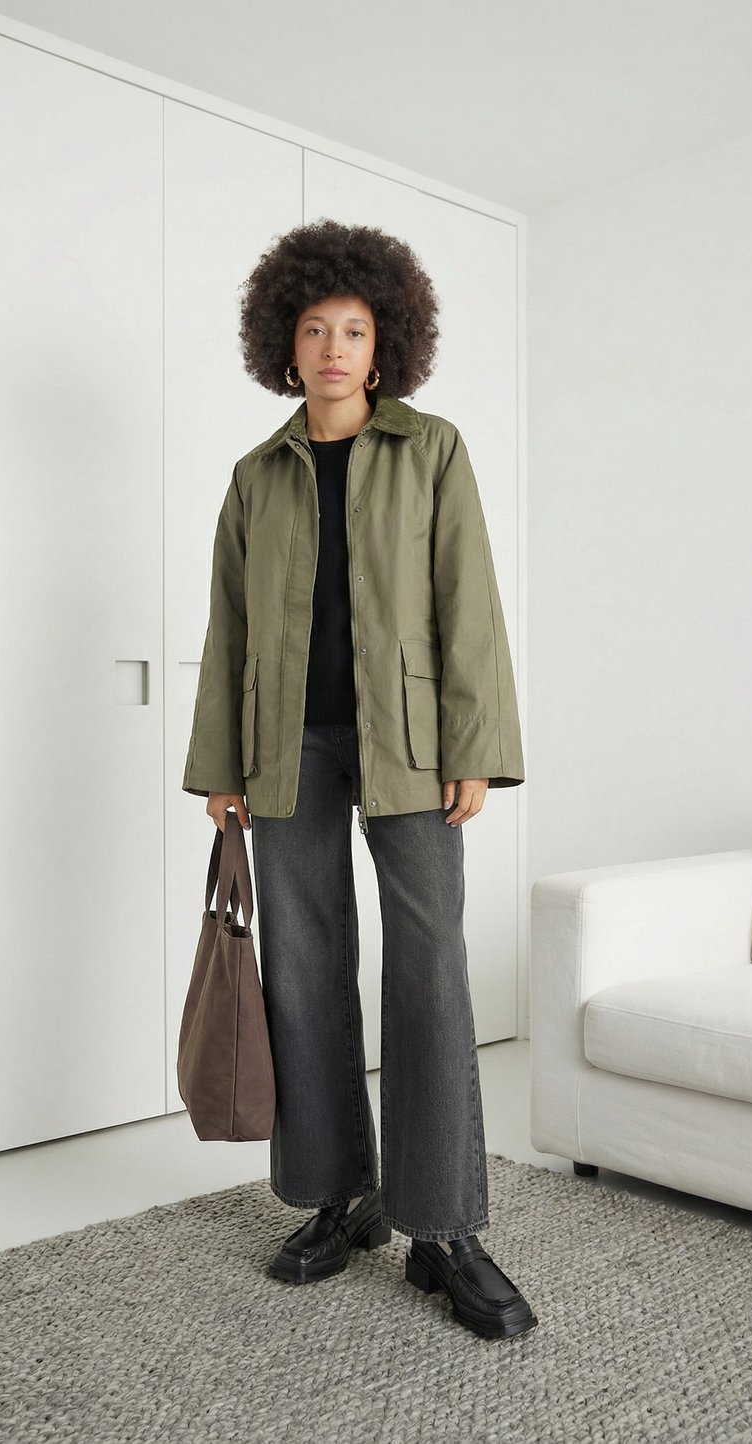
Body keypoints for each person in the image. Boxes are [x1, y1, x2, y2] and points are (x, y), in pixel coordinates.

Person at [182, 218, 536, 1341]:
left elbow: (468, 603)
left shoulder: (431, 449)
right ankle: (341, 1198)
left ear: (384, 348)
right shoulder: (255, 476)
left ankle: (445, 1228)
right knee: (302, 964)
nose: (333, 348)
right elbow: (230, 628)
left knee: (429, 969)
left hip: (415, 741)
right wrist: (220, 766)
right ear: (283, 348)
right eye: (313, 330)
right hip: (285, 743)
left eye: (354, 329)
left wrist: (475, 743)